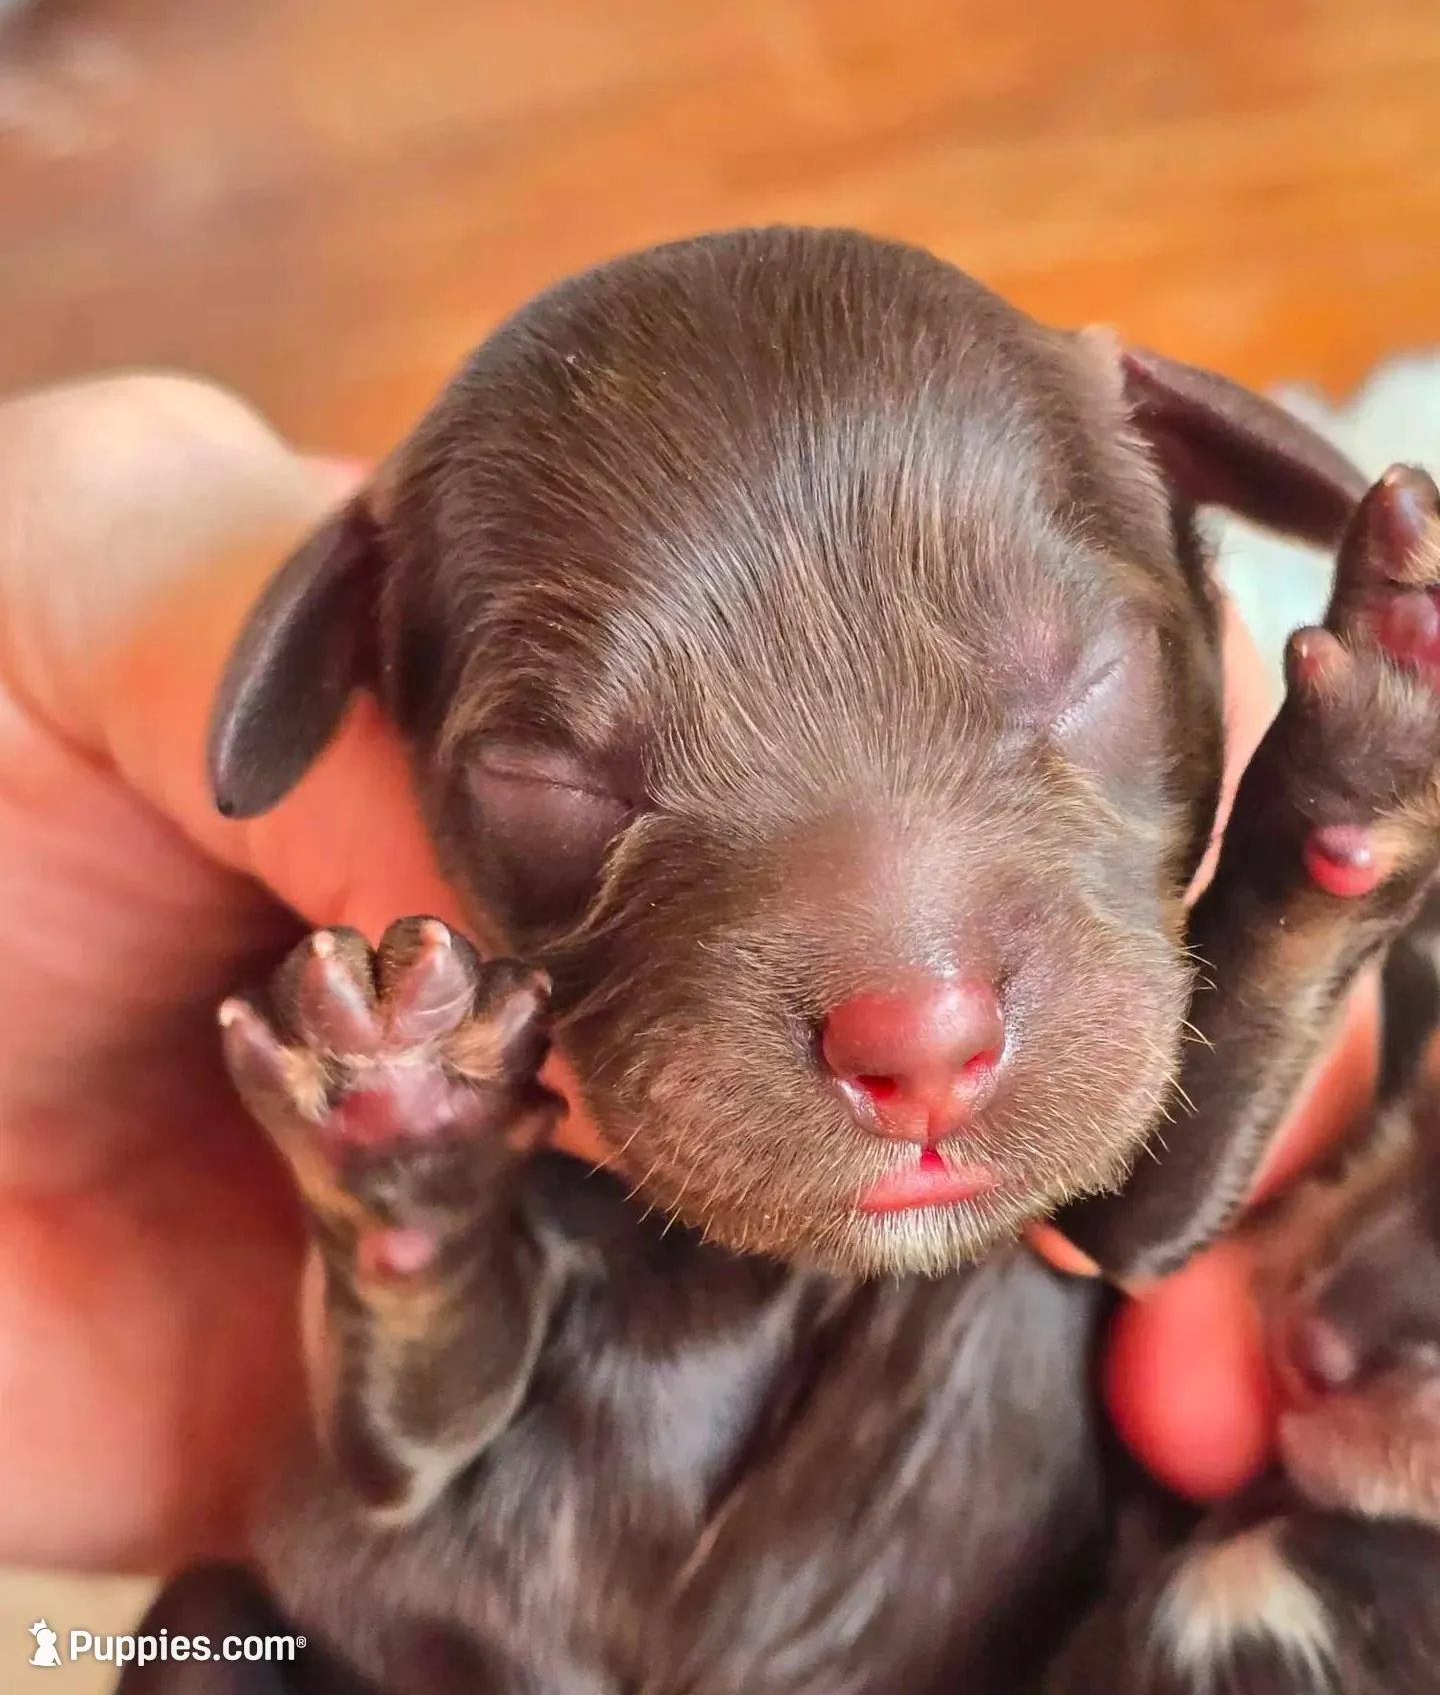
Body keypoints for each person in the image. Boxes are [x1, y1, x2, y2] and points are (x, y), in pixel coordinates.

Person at [0, 373, 1381, 1576]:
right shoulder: (480, 1059)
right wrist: (423, 1214)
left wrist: (1317, 842)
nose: (917, 1010)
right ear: (355, 676)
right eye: (566, 780)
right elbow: (403, 1454)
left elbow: (1133, 1224)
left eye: (1075, 686)